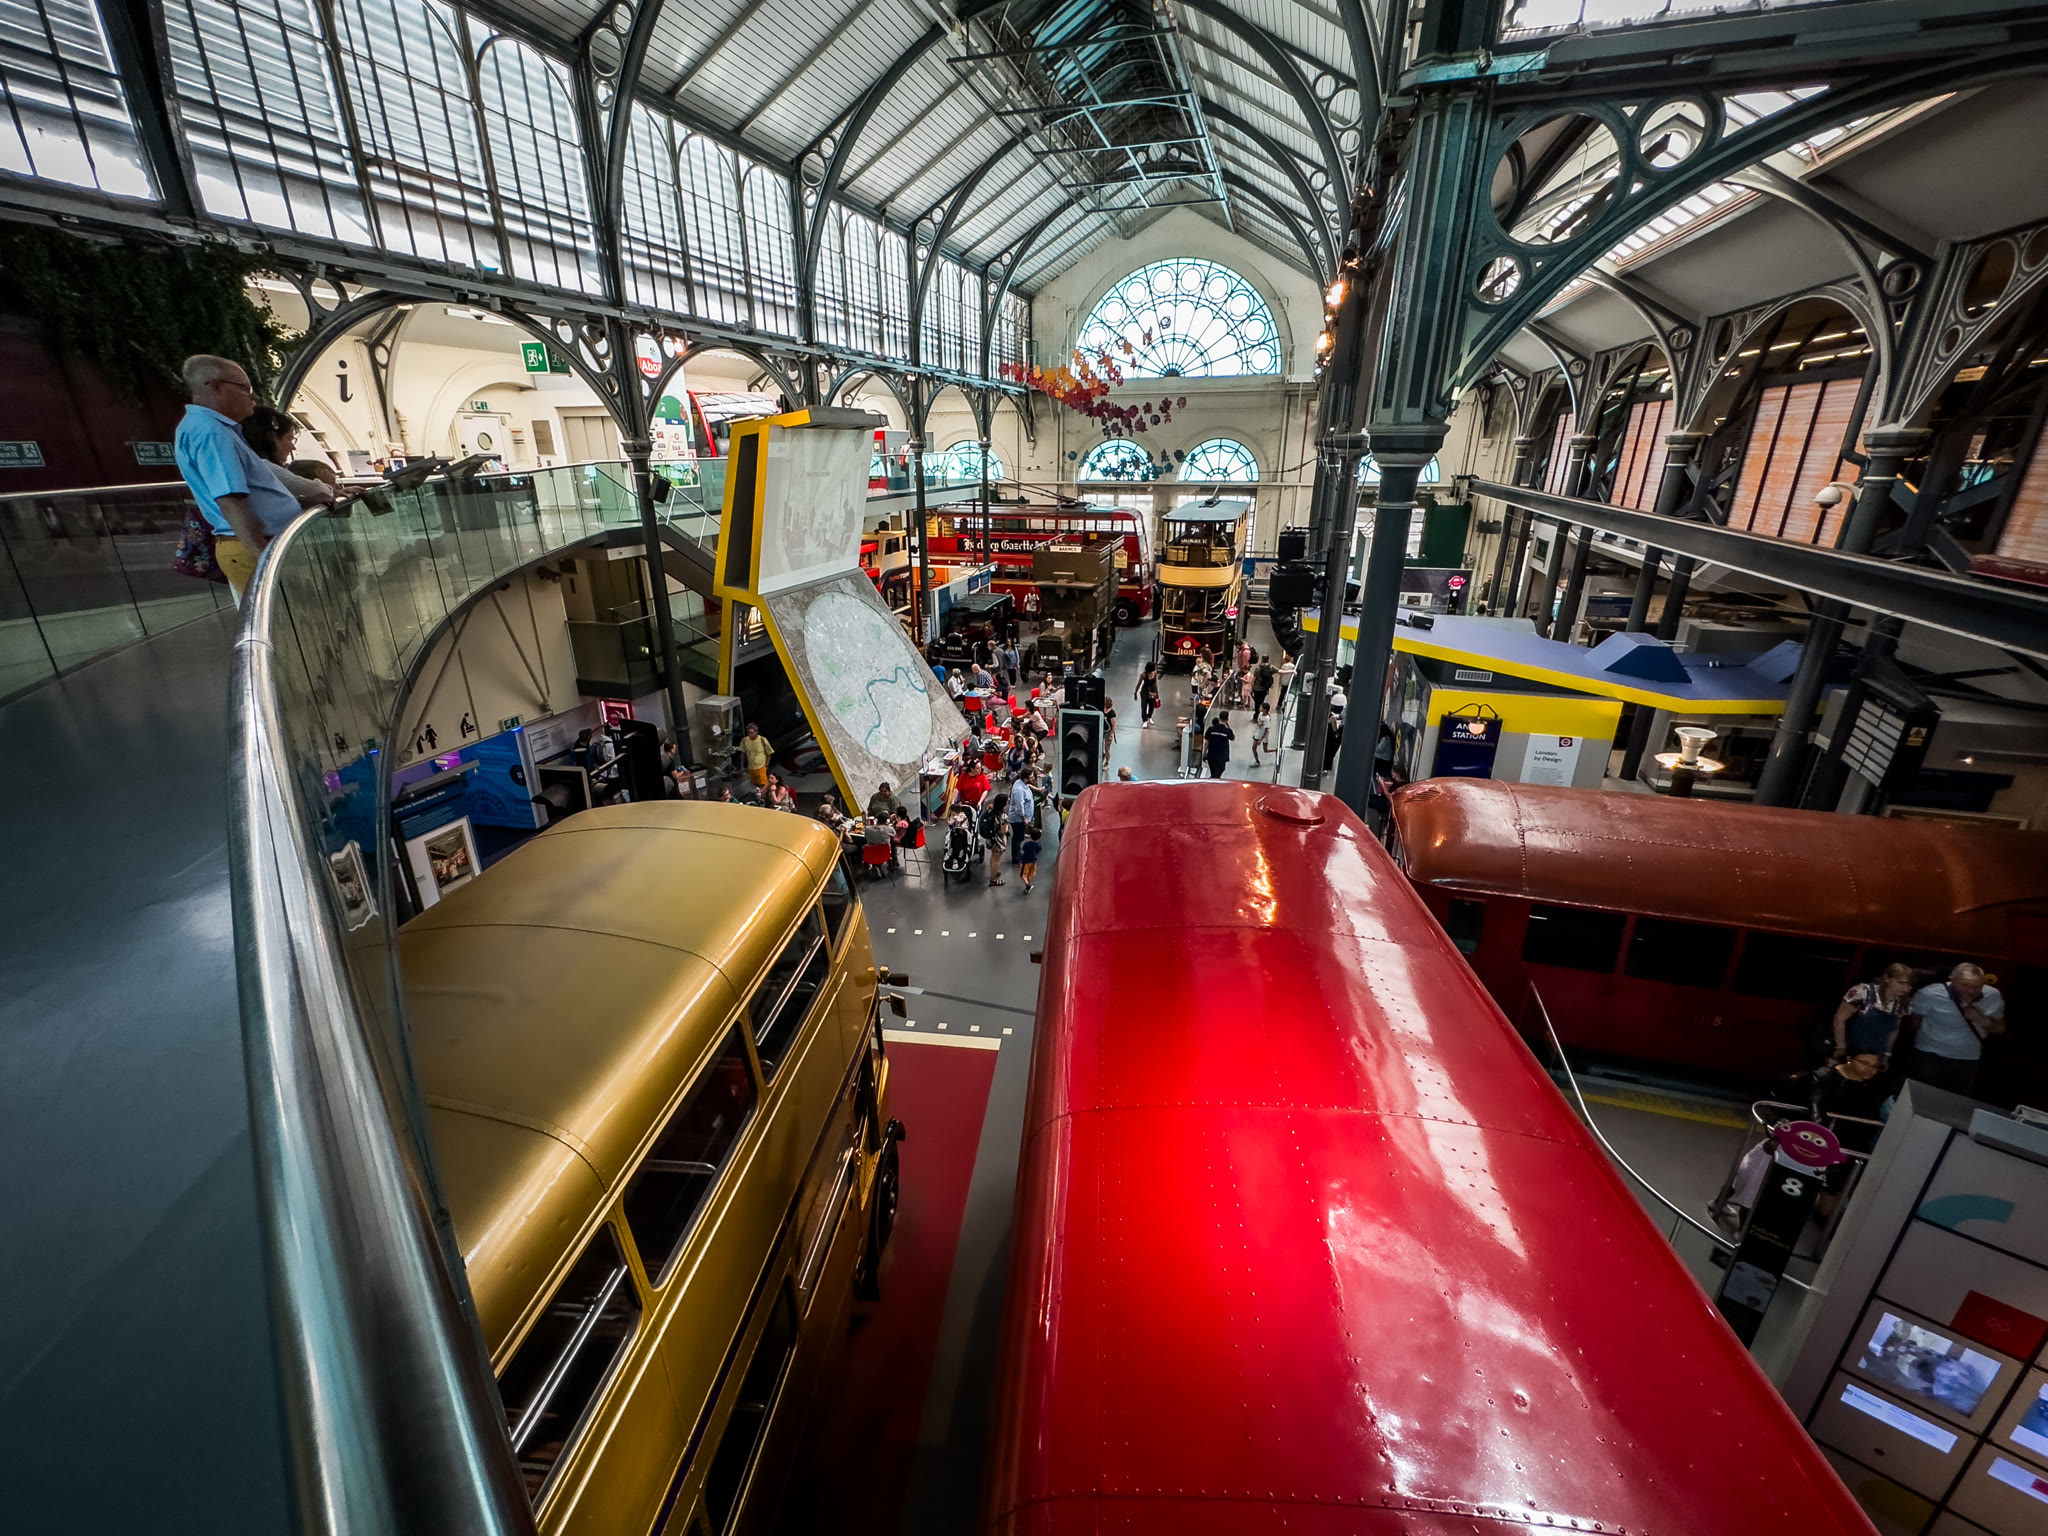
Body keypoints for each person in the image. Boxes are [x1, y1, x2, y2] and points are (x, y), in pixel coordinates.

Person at [173, 354, 308, 603]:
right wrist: (265, 556)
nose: (253, 397)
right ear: (216, 386)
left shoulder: (213, 428)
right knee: (286, 616)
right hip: (254, 546)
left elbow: (251, 493)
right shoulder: (211, 432)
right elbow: (231, 501)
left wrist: (302, 501)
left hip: (256, 543)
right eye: (245, 388)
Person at [1906, 963, 2005, 1096]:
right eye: (1965, 985)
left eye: (1977, 986)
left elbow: (2000, 1028)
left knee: (1954, 1098)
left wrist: (1983, 1020)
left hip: (1967, 1057)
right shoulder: (1930, 993)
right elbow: (1914, 1020)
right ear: (1951, 980)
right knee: (1918, 1094)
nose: (1971, 991)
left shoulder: (1992, 995)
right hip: (1929, 1053)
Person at [240, 405, 335, 509]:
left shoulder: (248, 465)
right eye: (289, 438)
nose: (293, 447)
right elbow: (319, 490)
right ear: (271, 438)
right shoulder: (265, 468)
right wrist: (330, 487)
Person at [1832, 962, 1914, 1065]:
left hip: (1873, 1054)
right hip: (1849, 1048)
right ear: (1887, 978)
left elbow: (1893, 1031)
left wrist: (1886, 1055)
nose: (1906, 989)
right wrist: (1840, 1047)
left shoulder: (1902, 1003)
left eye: (1909, 985)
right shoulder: (1863, 991)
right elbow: (1840, 1019)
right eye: (1901, 983)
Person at [1006, 773, 1035, 871]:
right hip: (1018, 819)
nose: (1033, 778)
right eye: (1031, 777)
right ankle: (1016, 859)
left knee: (1020, 837)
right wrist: (1024, 818)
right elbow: (1019, 806)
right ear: (1025, 778)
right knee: (1017, 838)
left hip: (1021, 818)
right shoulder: (1019, 790)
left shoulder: (1021, 783)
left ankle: (1017, 854)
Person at [740, 722, 771, 790]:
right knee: (755, 785)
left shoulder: (762, 740)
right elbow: (743, 753)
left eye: (751, 732)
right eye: (748, 733)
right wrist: (742, 766)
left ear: (756, 732)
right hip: (751, 767)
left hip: (761, 767)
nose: (749, 734)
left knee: (763, 785)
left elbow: (768, 753)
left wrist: (766, 765)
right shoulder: (745, 740)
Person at [1205, 709, 1235, 779]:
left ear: (1219, 718)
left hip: (1211, 755)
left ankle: (1212, 781)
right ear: (1227, 719)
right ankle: (1213, 782)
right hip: (1222, 756)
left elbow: (1207, 742)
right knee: (1219, 771)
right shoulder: (1227, 731)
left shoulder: (1211, 729)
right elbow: (1233, 738)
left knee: (1213, 772)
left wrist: (1204, 753)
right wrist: (1228, 725)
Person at [1135, 663, 1161, 727]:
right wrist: (1135, 692)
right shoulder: (1144, 675)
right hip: (1145, 692)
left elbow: (1155, 684)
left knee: (1152, 706)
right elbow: (1139, 684)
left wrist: (1157, 694)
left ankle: (1149, 717)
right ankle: (1145, 720)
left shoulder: (1155, 673)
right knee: (1144, 706)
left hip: (1153, 692)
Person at [1018, 828, 1043, 894]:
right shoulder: (1039, 845)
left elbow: (1023, 851)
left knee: (1023, 875)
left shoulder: (1026, 844)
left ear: (1030, 836)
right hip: (1033, 861)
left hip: (1025, 861)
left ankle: (1027, 885)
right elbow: (1038, 851)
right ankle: (1030, 884)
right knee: (1030, 874)